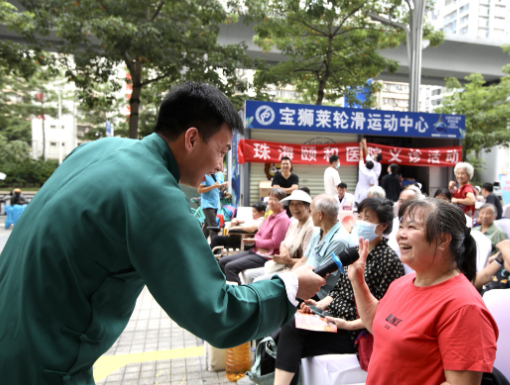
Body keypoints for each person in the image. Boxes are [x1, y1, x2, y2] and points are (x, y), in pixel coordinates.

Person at [0, 82, 327, 384]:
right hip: (44, 362)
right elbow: (216, 312)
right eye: (222, 151)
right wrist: (290, 286)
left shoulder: (96, 150)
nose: (219, 168)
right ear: (191, 138)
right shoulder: (154, 192)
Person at [350, 198, 498, 385]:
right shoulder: (402, 283)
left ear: (443, 240)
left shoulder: (464, 307)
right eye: (401, 226)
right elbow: (376, 324)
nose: (401, 234)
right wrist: (357, 280)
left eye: (411, 227)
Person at [273, 198, 405, 385]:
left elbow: (384, 313)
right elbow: (339, 290)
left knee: (293, 330)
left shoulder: (388, 260)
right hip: (333, 318)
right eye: (360, 215)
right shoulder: (355, 253)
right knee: (288, 328)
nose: (360, 221)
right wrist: (319, 305)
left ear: (382, 226)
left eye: (367, 218)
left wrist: (347, 325)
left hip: (355, 332)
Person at [218, 188, 290, 284]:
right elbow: (259, 233)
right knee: (222, 261)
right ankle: (226, 288)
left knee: (230, 267)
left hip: (267, 256)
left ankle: (240, 295)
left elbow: (275, 243)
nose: (271, 202)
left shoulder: (282, 219)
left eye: (275, 200)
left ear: (282, 202)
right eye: (270, 199)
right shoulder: (270, 217)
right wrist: (256, 240)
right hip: (256, 251)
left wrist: (256, 241)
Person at [243, 190, 314, 283]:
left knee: (257, 280)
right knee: (248, 274)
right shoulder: (294, 223)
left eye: (299, 204)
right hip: (280, 265)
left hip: (293, 270)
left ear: (308, 206)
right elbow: (282, 243)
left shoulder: (310, 228)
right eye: (292, 204)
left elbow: (306, 261)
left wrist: (286, 260)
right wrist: (284, 250)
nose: (294, 208)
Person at [197, 171, 226, 239]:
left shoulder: (219, 174)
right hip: (207, 204)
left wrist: (224, 186)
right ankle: (215, 246)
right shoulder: (204, 174)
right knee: (213, 226)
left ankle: (200, 244)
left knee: (208, 226)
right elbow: (199, 190)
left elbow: (219, 189)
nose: (219, 166)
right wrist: (212, 186)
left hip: (215, 204)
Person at [354, 140, 377, 206]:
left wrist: (360, 147)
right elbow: (372, 187)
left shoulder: (362, 168)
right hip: (366, 193)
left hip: (359, 191)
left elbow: (361, 157)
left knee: (358, 206)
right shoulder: (372, 175)